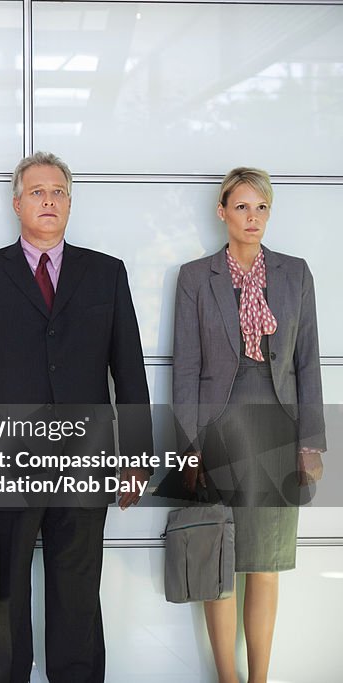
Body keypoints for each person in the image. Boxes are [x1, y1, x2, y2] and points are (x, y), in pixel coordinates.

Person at [0, 151, 152, 683]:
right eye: (38, 191)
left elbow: (129, 372)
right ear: (17, 203)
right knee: (4, 593)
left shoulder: (106, 274)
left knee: (78, 594)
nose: (49, 200)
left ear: (70, 202)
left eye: (59, 191)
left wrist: (135, 455)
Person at [172, 167, 325, 683]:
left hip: (278, 430)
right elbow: (186, 369)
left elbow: (308, 363)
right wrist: (187, 447)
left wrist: (311, 443)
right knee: (218, 556)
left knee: (265, 563)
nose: (252, 217)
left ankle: (259, 678)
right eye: (241, 207)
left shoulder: (295, 273)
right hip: (217, 428)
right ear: (222, 213)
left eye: (261, 207)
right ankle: (227, 678)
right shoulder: (196, 277)